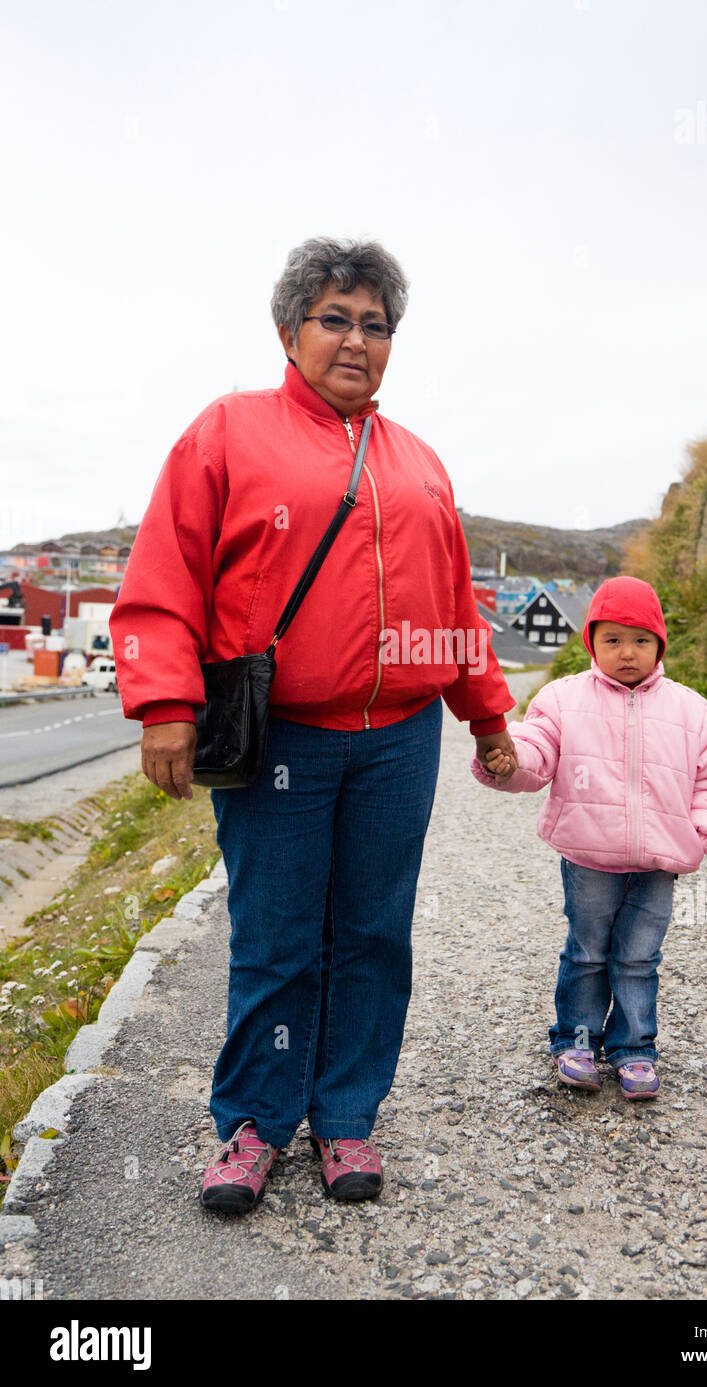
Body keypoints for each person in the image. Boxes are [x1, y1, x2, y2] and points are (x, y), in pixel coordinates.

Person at [109, 237, 516, 1209]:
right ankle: (254, 1122)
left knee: (372, 933)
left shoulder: (418, 463)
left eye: (375, 325)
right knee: (276, 934)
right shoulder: (226, 432)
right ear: (289, 329)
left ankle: (344, 1117)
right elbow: (164, 573)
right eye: (335, 318)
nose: (356, 340)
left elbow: (455, 606)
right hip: (280, 736)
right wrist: (163, 704)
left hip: (399, 738)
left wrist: (487, 713)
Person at [470, 575, 707, 1100]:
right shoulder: (563, 700)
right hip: (589, 855)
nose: (626, 653)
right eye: (611, 640)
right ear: (592, 643)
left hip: (660, 859)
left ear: (660, 644)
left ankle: (634, 1049)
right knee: (588, 951)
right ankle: (576, 1040)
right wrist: (509, 761)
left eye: (639, 640)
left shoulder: (692, 710)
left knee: (639, 957)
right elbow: (537, 751)